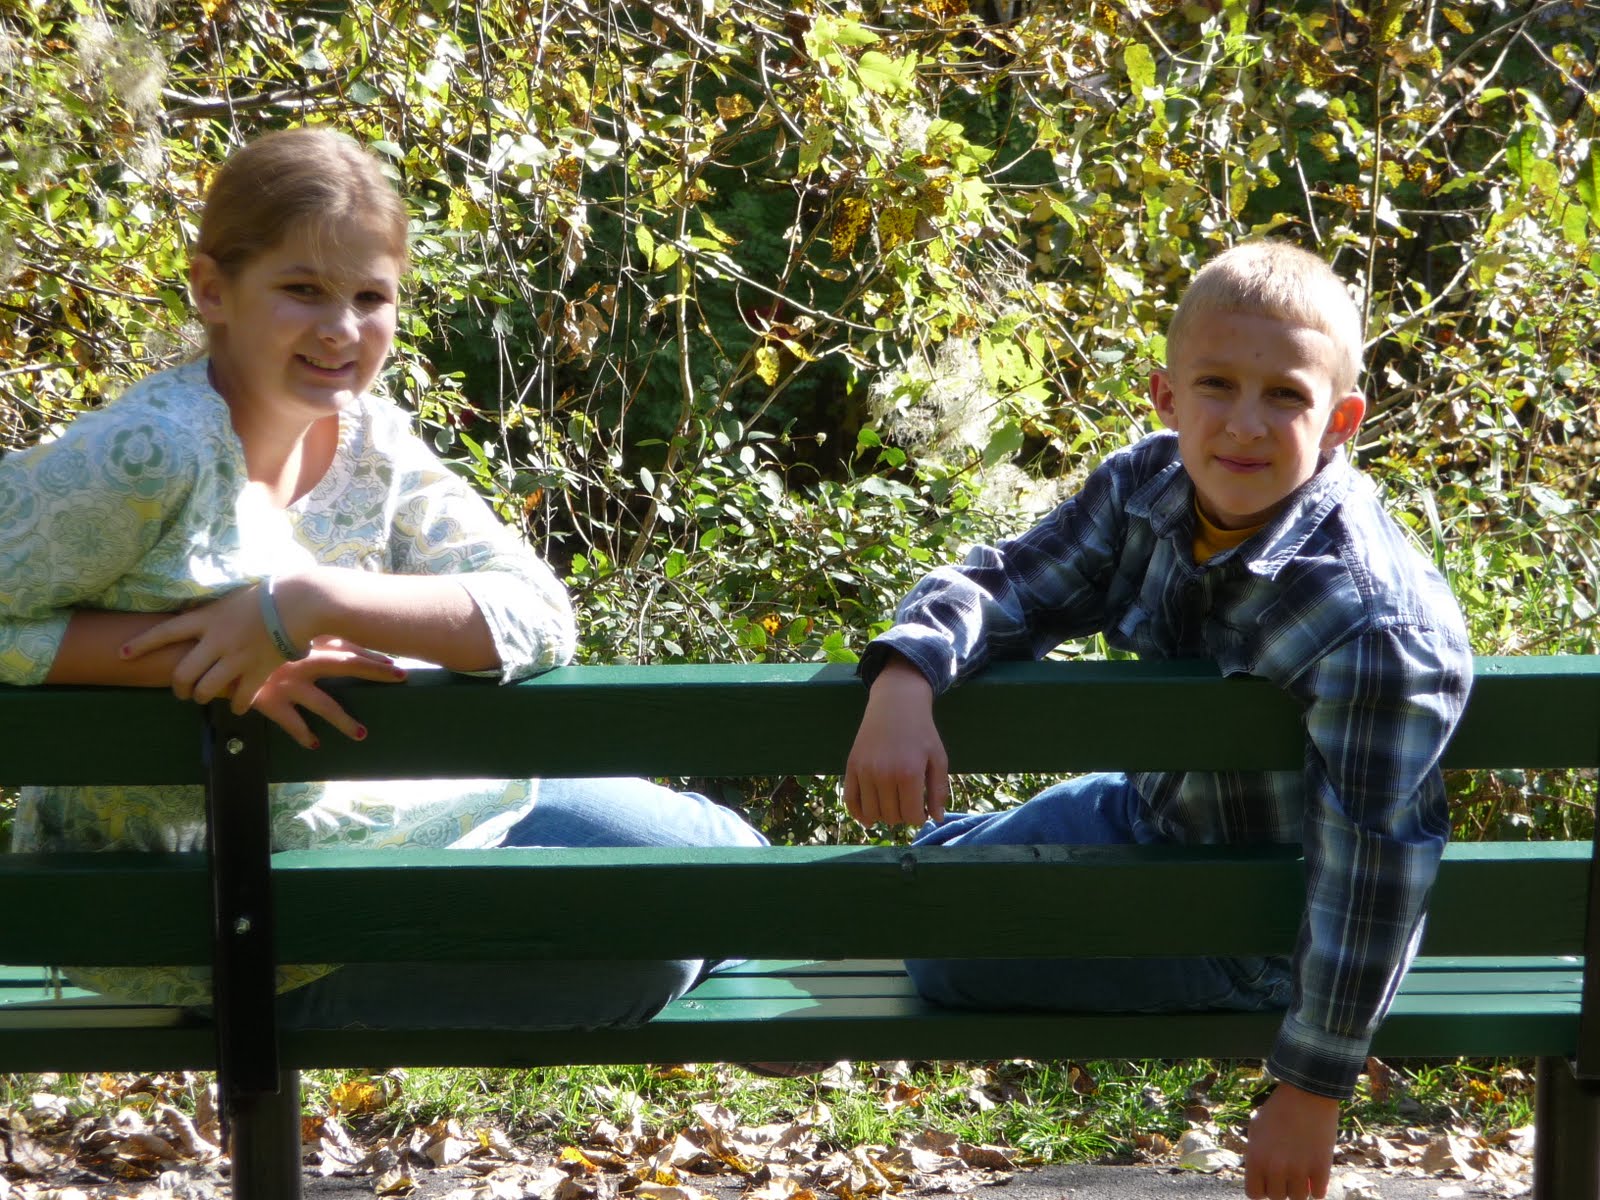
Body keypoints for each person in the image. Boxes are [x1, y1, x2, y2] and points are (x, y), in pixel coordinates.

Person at [0, 125, 764, 1029]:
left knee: (721, 850)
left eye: (371, 296)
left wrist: (304, 604)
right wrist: (200, 663)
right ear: (212, 289)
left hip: (379, 813)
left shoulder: (370, 437)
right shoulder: (145, 454)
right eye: (302, 289)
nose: (341, 329)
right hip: (205, 917)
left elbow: (537, 616)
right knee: (646, 952)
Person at [841, 241, 1473, 1200]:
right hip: (1148, 814)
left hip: (1260, 931)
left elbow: (1373, 869)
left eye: (1286, 396)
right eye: (1216, 385)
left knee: (938, 952)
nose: (1245, 424)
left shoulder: (1369, 617)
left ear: (1341, 420)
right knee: (917, 878)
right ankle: (936, 883)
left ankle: (922, 911)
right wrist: (906, 673)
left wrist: (1312, 1086)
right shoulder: (1148, 488)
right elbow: (1012, 580)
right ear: (1166, 397)